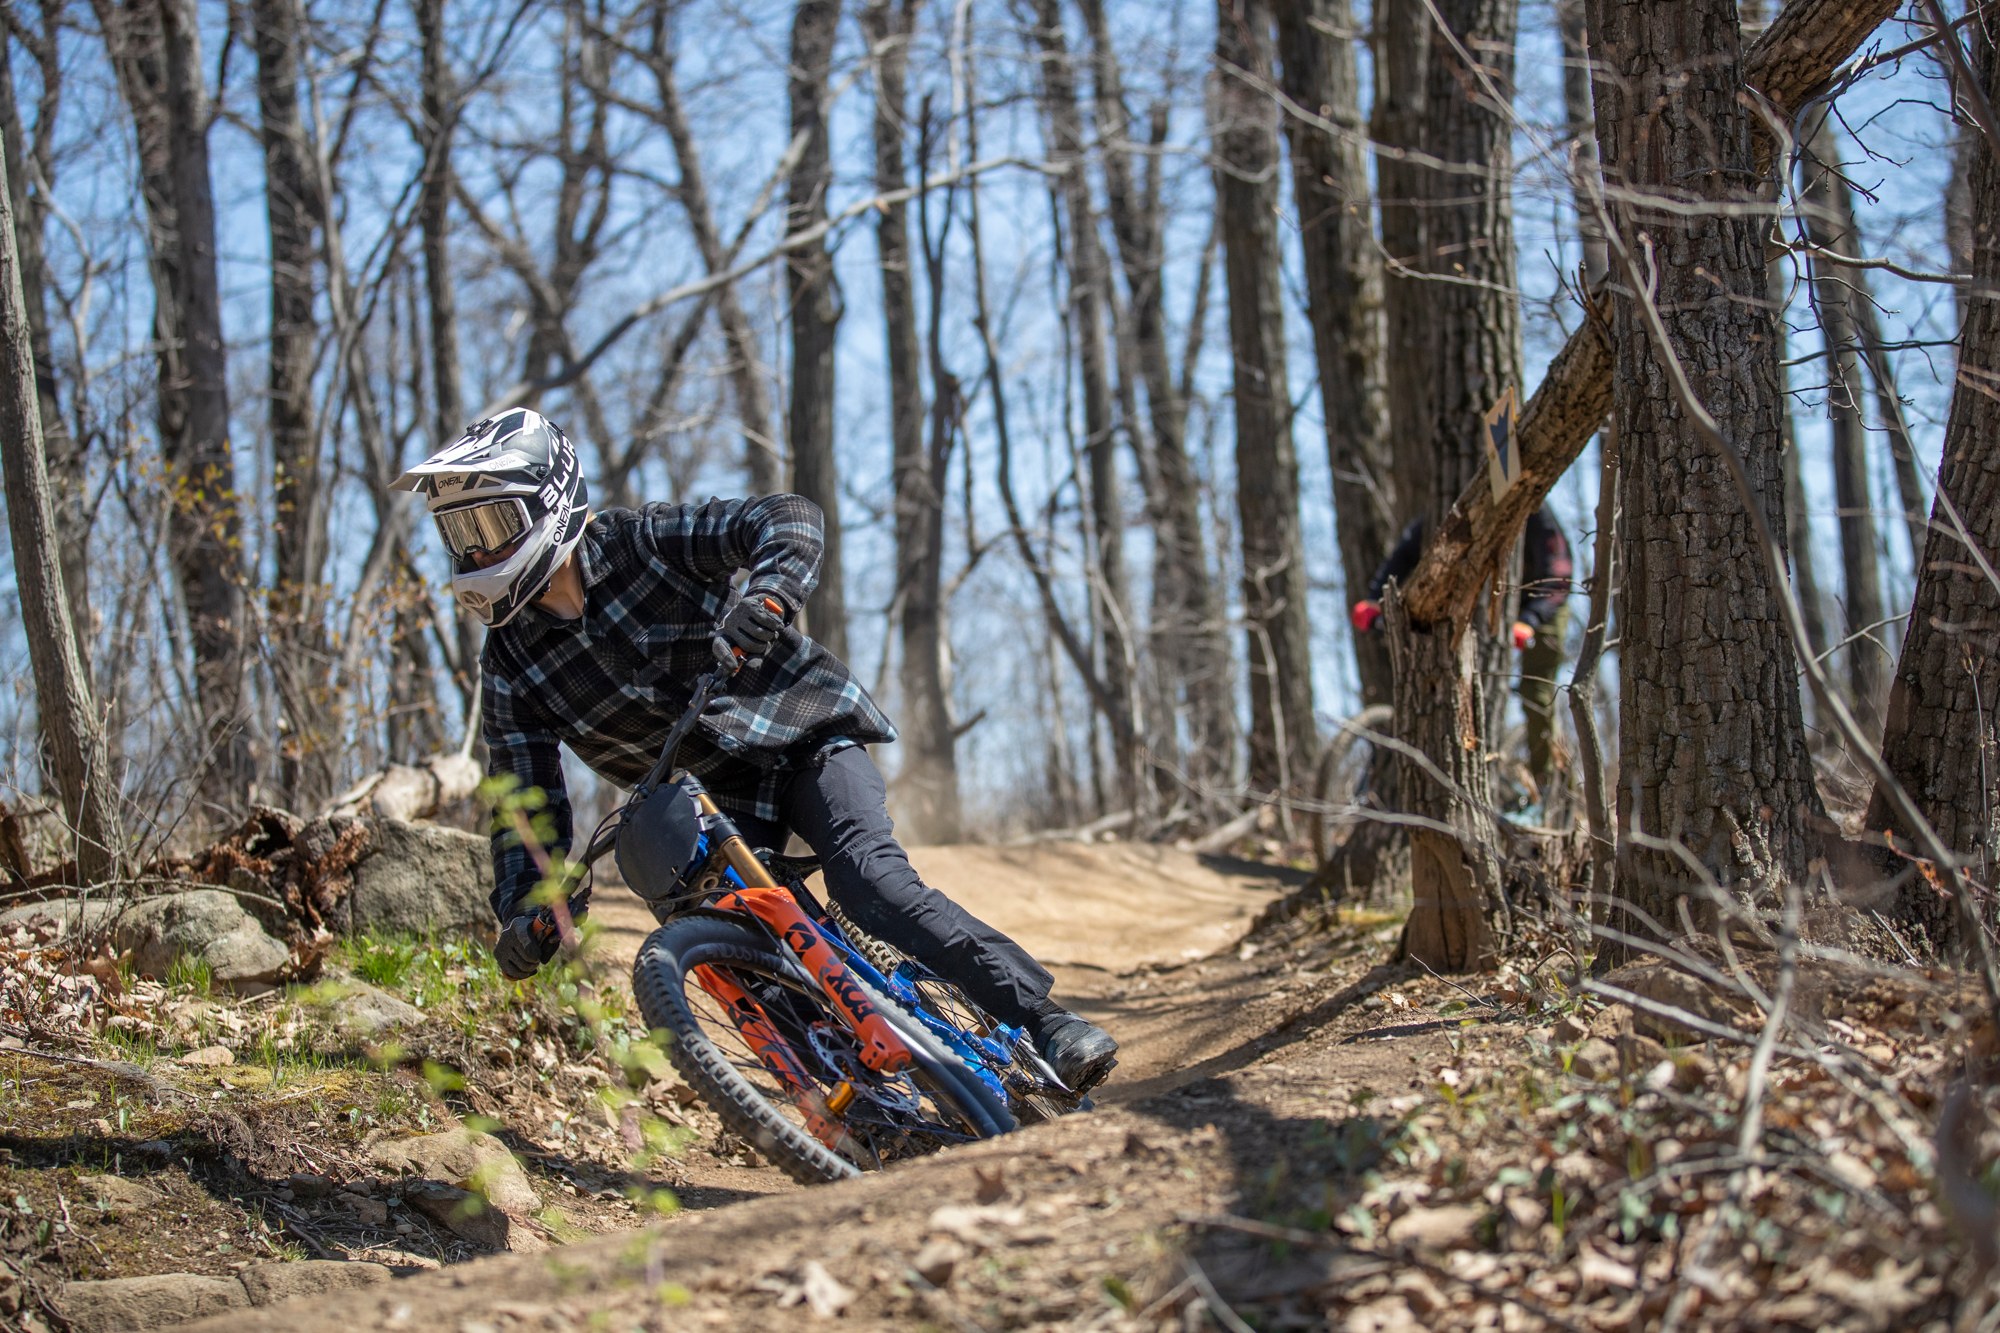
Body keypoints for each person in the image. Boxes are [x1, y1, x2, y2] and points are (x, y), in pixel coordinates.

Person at [391, 409, 1120, 1092]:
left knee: (870, 884)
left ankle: (1049, 1025)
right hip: (710, 806)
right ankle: (856, 1102)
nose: (477, 549)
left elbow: (787, 516)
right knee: (738, 947)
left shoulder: (645, 541)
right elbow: (523, 798)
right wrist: (525, 907)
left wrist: (769, 594)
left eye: (491, 522)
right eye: (461, 533)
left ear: (552, 501)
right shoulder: (510, 663)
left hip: (804, 736)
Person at [1348, 506, 1574, 792]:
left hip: (1541, 610)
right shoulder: (1461, 506)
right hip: (1487, 608)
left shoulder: (1536, 513)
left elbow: (1560, 575)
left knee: (1536, 694)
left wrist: (1531, 619)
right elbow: (1404, 554)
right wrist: (1374, 598)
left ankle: (1549, 788)